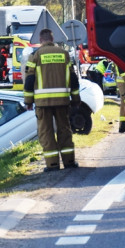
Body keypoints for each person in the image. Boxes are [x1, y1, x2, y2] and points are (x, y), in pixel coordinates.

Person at [24, 29, 81, 171]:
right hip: (62, 101)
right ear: (52, 38)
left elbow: (30, 80)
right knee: (64, 130)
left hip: (42, 103)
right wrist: (75, 99)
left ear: (40, 39)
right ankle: (69, 162)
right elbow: (73, 79)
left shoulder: (35, 55)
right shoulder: (64, 54)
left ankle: (52, 164)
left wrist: (28, 101)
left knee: (46, 132)